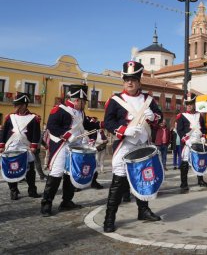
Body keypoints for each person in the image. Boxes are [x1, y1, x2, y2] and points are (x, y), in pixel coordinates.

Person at [103, 61, 163, 233]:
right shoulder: (115, 100)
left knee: (143, 179)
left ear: (139, 81)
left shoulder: (148, 100)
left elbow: (160, 119)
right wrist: (124, 130)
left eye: (134, 79)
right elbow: (108, 122)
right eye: (127, 79)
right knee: (118, 182)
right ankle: (109, 218)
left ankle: (143, 211)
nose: (130, 82)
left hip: (143, 145)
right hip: (124, 145)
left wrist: (154, 117)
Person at [40, 84, 101, 217]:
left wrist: (101, 124)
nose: (84, 104)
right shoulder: (59, 110)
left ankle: (66, 201)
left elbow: (88, 125)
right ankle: (46, 203)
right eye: (84, 101)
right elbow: (52, 126)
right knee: (56, 174)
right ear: (77, 100)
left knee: (70, 174)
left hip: (75, 148)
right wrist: (66, 134)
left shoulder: (81, 113)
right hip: (62, 147)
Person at [0, 93, 42, 200]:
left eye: (17, 104)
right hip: (11, 146)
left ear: (24, 105)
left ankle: (32, 190)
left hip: (26, 147)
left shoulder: (33, 118)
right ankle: (13, 190)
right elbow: (4, 132)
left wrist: (33, 145)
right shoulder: (10, 117)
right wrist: (2, 145)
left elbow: (36, 133)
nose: (15, 107)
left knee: (30, 171)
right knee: (10, 169)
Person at [176, 92, 207, 192]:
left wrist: (203, 136)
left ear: (194, 104)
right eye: (187, 104)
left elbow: (203, 128)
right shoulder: (181, 116)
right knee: (185, 163)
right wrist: (186, 140)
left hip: (199, 141)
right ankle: (184, 184)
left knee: (200, 161)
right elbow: (180, 130)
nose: (189, 106)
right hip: (188, 142)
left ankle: (200, 180)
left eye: (191, 103)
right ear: (185, 105)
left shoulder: (200, 115)